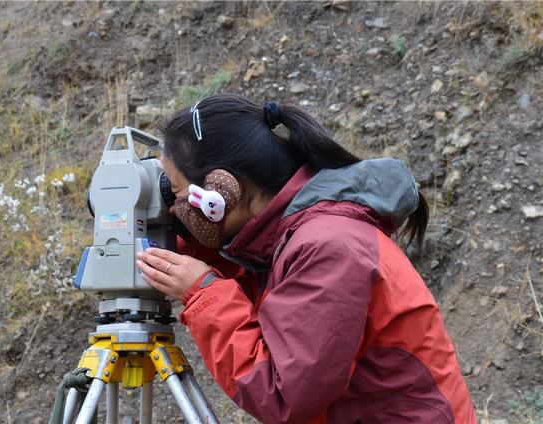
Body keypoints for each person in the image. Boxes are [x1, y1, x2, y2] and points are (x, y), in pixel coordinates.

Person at [136, 93, 476, 424]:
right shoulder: (294, 238)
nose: (171, 205)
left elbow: (284, 395)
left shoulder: (329, 248)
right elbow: (283, 305)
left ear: (222, 189)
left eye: (177, 189)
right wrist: (198, 251)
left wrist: (203, 292)